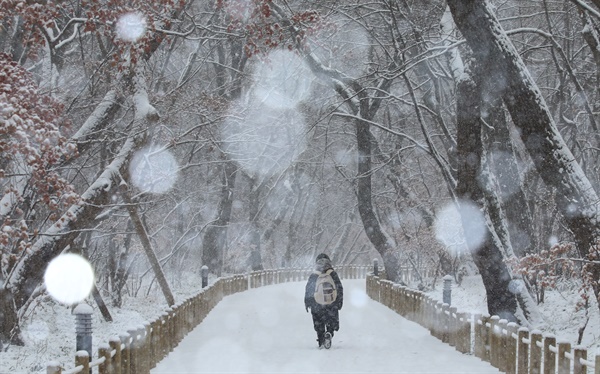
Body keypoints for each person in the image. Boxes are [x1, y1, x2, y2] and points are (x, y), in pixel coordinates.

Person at [304, 253, 344, 349]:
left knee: (319, 322)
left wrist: (307, 302)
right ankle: (329, 332)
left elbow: (309, 289)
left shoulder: (315, 274)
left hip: (317, 304)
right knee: (331, 319)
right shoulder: (332, 273)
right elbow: (339, 287)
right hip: (331, 302)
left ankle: (321, 339)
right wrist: (339, 301)